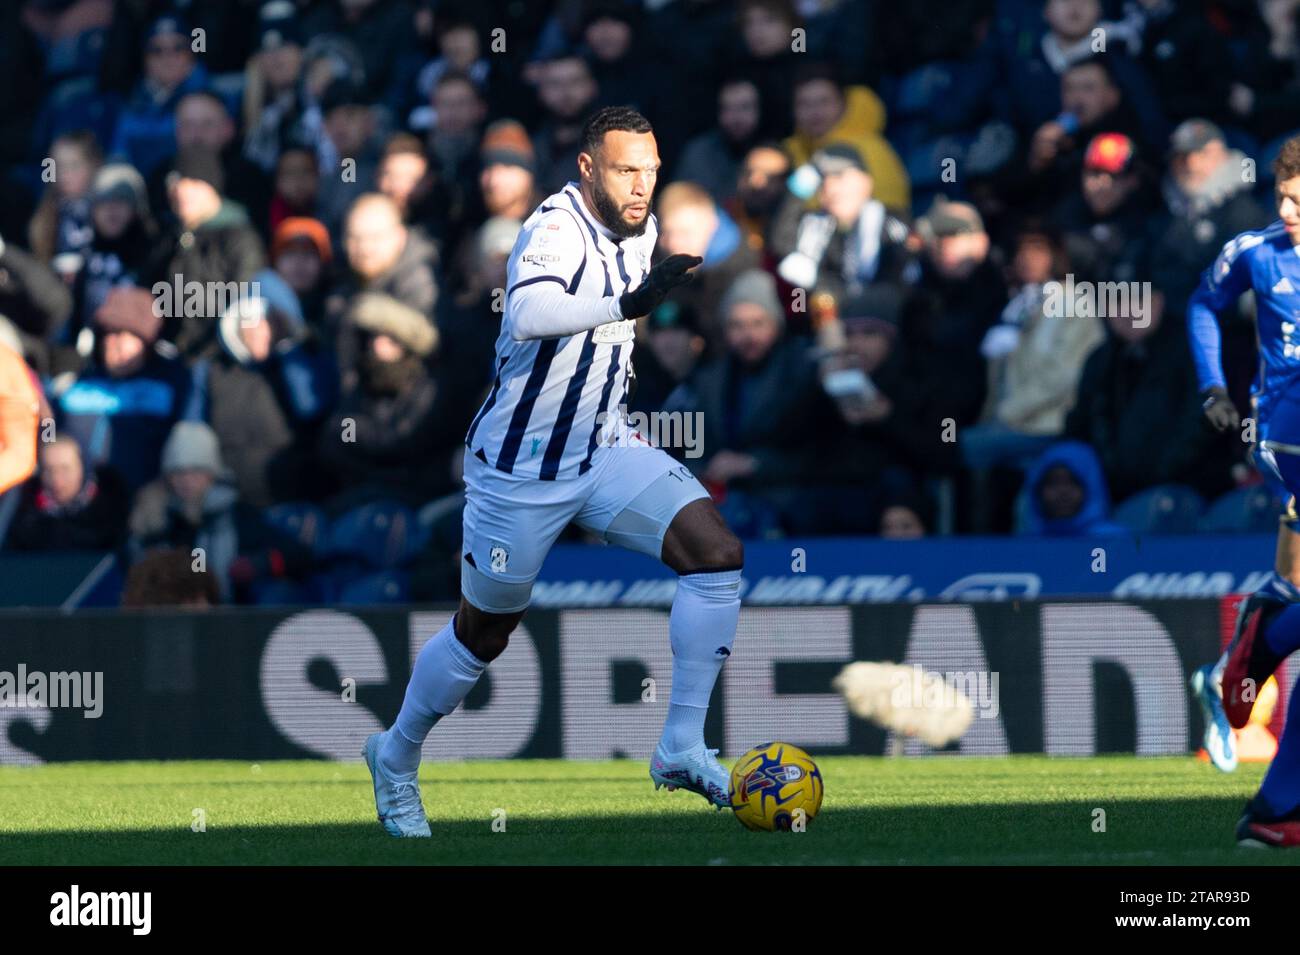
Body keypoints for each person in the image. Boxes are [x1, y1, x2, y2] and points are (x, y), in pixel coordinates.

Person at [362, 106, 744, 838]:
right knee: (484, 633)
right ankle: (396, 755)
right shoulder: (553, 227)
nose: (642, 184)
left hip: (603, 447)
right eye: (627, 169)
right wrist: (629, 302)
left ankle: (680, 746)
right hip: (520, 469)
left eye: (652, 169)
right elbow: (532, 311)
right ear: (588, 168)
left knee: (716, 554)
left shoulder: (648, 230)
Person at [1187, 135, 1300, 846]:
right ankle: (1278, 807)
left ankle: (1249, 657)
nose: (1287, 210)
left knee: (1294, 590)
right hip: (1289, 433)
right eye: (1284, 196)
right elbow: (1202, 302)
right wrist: (1212, 387)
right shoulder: (1255, 250)